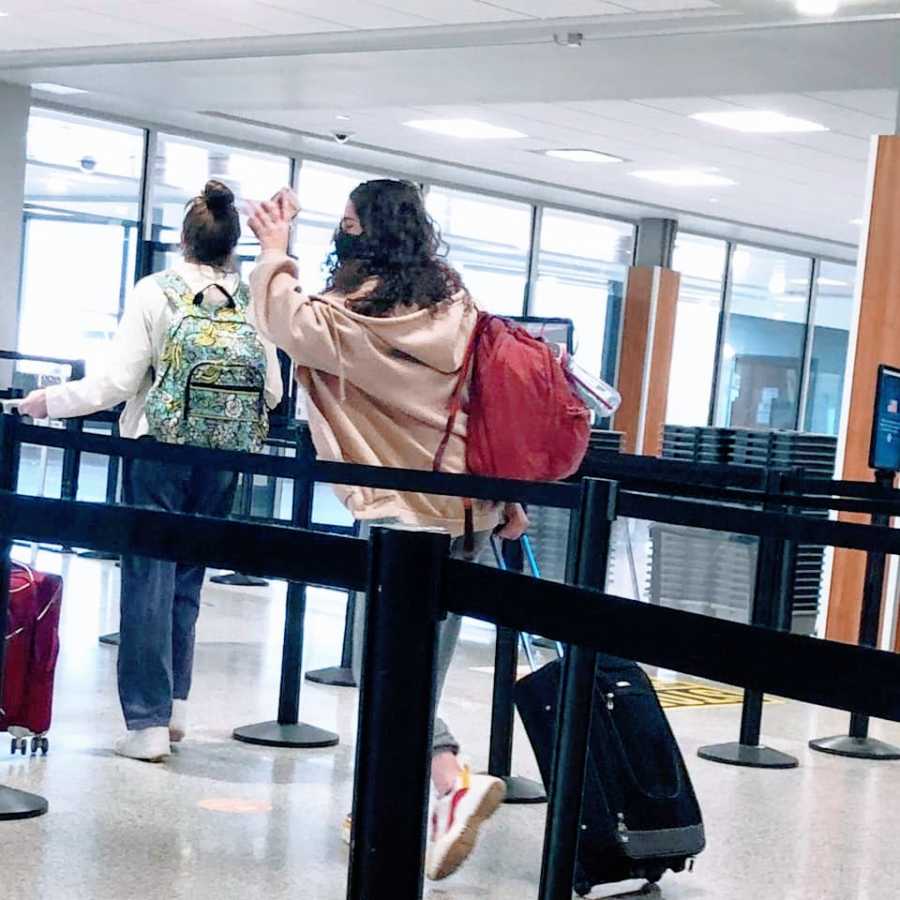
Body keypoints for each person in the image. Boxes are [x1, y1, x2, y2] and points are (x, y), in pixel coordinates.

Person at [247, 178, 528, 881]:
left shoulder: (356, 316)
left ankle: (446, 780)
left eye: (347, 227)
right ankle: (389, 805)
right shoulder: (457, 303)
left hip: (403, 514)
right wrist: (510, 494)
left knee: (386, 673)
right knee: (415, 671)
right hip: (466, 505)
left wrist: (275, 250)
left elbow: (286, 323)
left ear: (368, 236)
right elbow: (487, 397)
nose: (340, 237)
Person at [19, 180, 283, 762]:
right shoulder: (251, 299)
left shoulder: (154, 292)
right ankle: (178, 708)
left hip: (157, 448)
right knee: (189, 573)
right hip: (224, 457)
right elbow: (271, 389)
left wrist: (50, 402)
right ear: (232, 245)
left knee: (147, 577)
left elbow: (114, 383)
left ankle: (147, 724)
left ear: (184, 241)